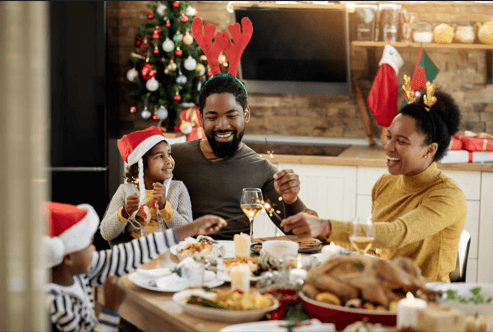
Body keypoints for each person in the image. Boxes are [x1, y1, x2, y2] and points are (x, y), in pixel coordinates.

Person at [281, 81, 466, 282]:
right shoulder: (385, 184)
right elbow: (374, 243)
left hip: (426, 297)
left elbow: (396, 233)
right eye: (389, 136)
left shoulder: (447, 195)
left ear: (429, 150)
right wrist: (323, 233)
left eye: (401, 141)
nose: (388, 147)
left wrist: (326, 227)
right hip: (383, 287)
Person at [169, 18, 307, 240]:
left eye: (231, 115)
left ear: (246, 115)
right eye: (212, 117)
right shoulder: (173, 157)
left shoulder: (262, 169)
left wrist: (291, 200)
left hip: (236, 263)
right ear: (200, 117)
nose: (222, 126)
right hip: (181, 261)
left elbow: (302, 233)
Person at [45, 201, 226, 332]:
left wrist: (191, 229)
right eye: (89, 244)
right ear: (68, 257)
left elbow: (131, 253)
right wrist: (110, 308)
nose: (94, 249)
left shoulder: (75, 272)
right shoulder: (56, 304)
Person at [100, 126, 194, 245]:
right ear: (142, 164)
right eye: (160, 156)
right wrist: (125, 211)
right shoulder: (125, 190)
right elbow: (106, 233)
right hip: (137, 253)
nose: (169, 160)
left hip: (170, 251)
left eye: (169, 154)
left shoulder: (178, 188)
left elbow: (189, 231)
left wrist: (165, 206)